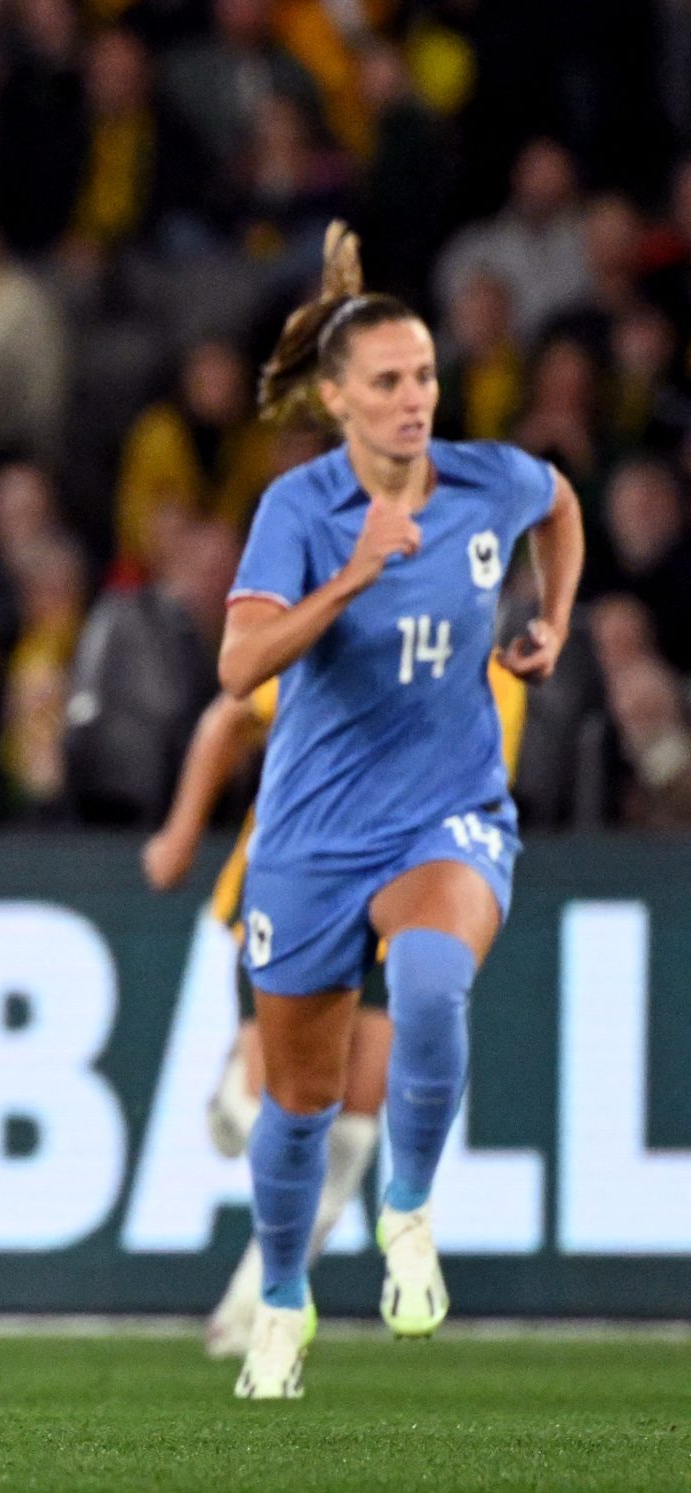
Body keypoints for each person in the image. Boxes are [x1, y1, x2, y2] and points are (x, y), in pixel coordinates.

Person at [216, 224, 581, 1400]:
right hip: (315, 831)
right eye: (388, 381)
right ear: (335, 400)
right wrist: (352, 575)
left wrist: (553, 617)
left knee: (430, 984)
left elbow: (561, 502)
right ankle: (278, 1304)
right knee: (298, 1104)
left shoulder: (487, 480)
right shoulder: (301, 509)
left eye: (423, 374)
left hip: (448, 812)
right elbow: (236, 666)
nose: (415, 397)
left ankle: (407, 1216)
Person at [142, 648, 529, 1358]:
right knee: (279, 1108)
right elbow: (230, 718)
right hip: (299, 890)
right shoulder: (342, 637)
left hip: (406, 907)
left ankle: (251, 1303)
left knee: (349, 1133)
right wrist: (181, 833)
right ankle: (235, 1090)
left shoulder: (497, 674)